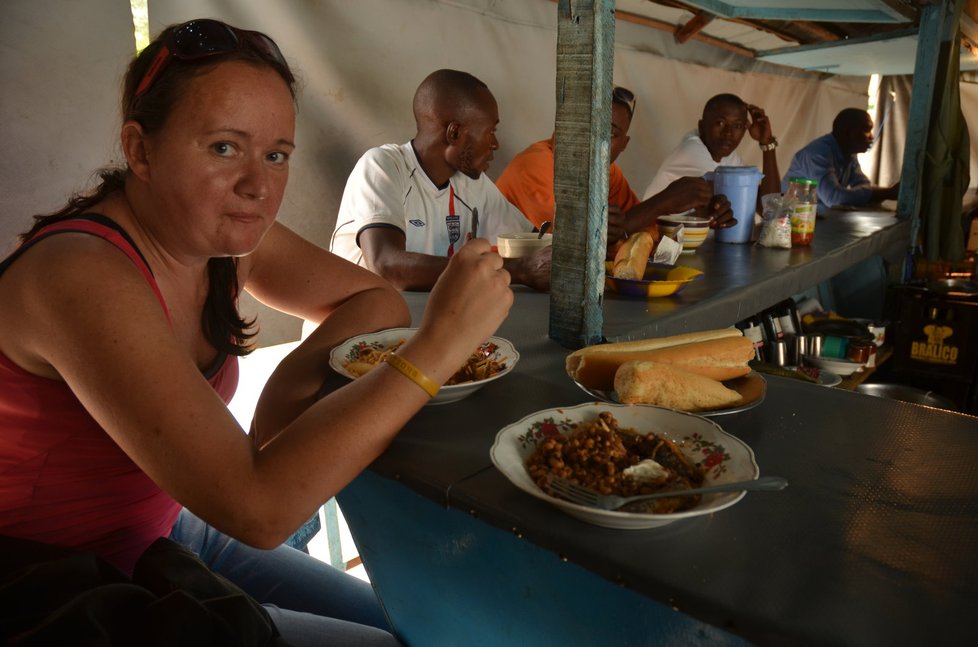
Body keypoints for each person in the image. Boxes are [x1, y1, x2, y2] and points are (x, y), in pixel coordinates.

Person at [0, 19, 513, 646]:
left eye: (276, 155)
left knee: (412, 628)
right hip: (59, 586)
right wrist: (441, 346)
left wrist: (280, 400)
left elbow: (375, 300)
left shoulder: (222, 244)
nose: (258, 185)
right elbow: (260, 509)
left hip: (170, 531)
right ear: (140, 150)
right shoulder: (82, 274)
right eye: (223, 147)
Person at [330, 69, 551, 292]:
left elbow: (535, 242)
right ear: (454, 133)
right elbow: (386, 265)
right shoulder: (383, 166)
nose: (495, 144)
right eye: (490, 131)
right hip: (362, 323)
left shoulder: (473, 184)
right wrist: (520, 270)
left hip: (422, 323)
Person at [496, 86, 734, 254]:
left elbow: (640, 231)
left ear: (624, 145)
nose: (597, 139)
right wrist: (664, 202)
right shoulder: (535, 164)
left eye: (610, 134)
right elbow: (572, 247)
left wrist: (697, 217)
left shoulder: (608, 172)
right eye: (587, 125)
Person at [643, 93, 782, 207]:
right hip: (653, 238)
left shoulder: (729, 157)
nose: (728, 132)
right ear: (702, 126)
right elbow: (764, 207)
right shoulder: (691, 152)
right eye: (720, 123)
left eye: (738, 126)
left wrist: (767, 144)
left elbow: (768, 207)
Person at [781, 107, 900, 211]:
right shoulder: (818, 154)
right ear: (847, 133)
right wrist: (887, 193)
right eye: (866, 130)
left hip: (809, 223)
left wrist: (873, 193)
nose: (871, 136)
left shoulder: (848, 154)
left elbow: (863, 184)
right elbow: (834, 199)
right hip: (789, 226)